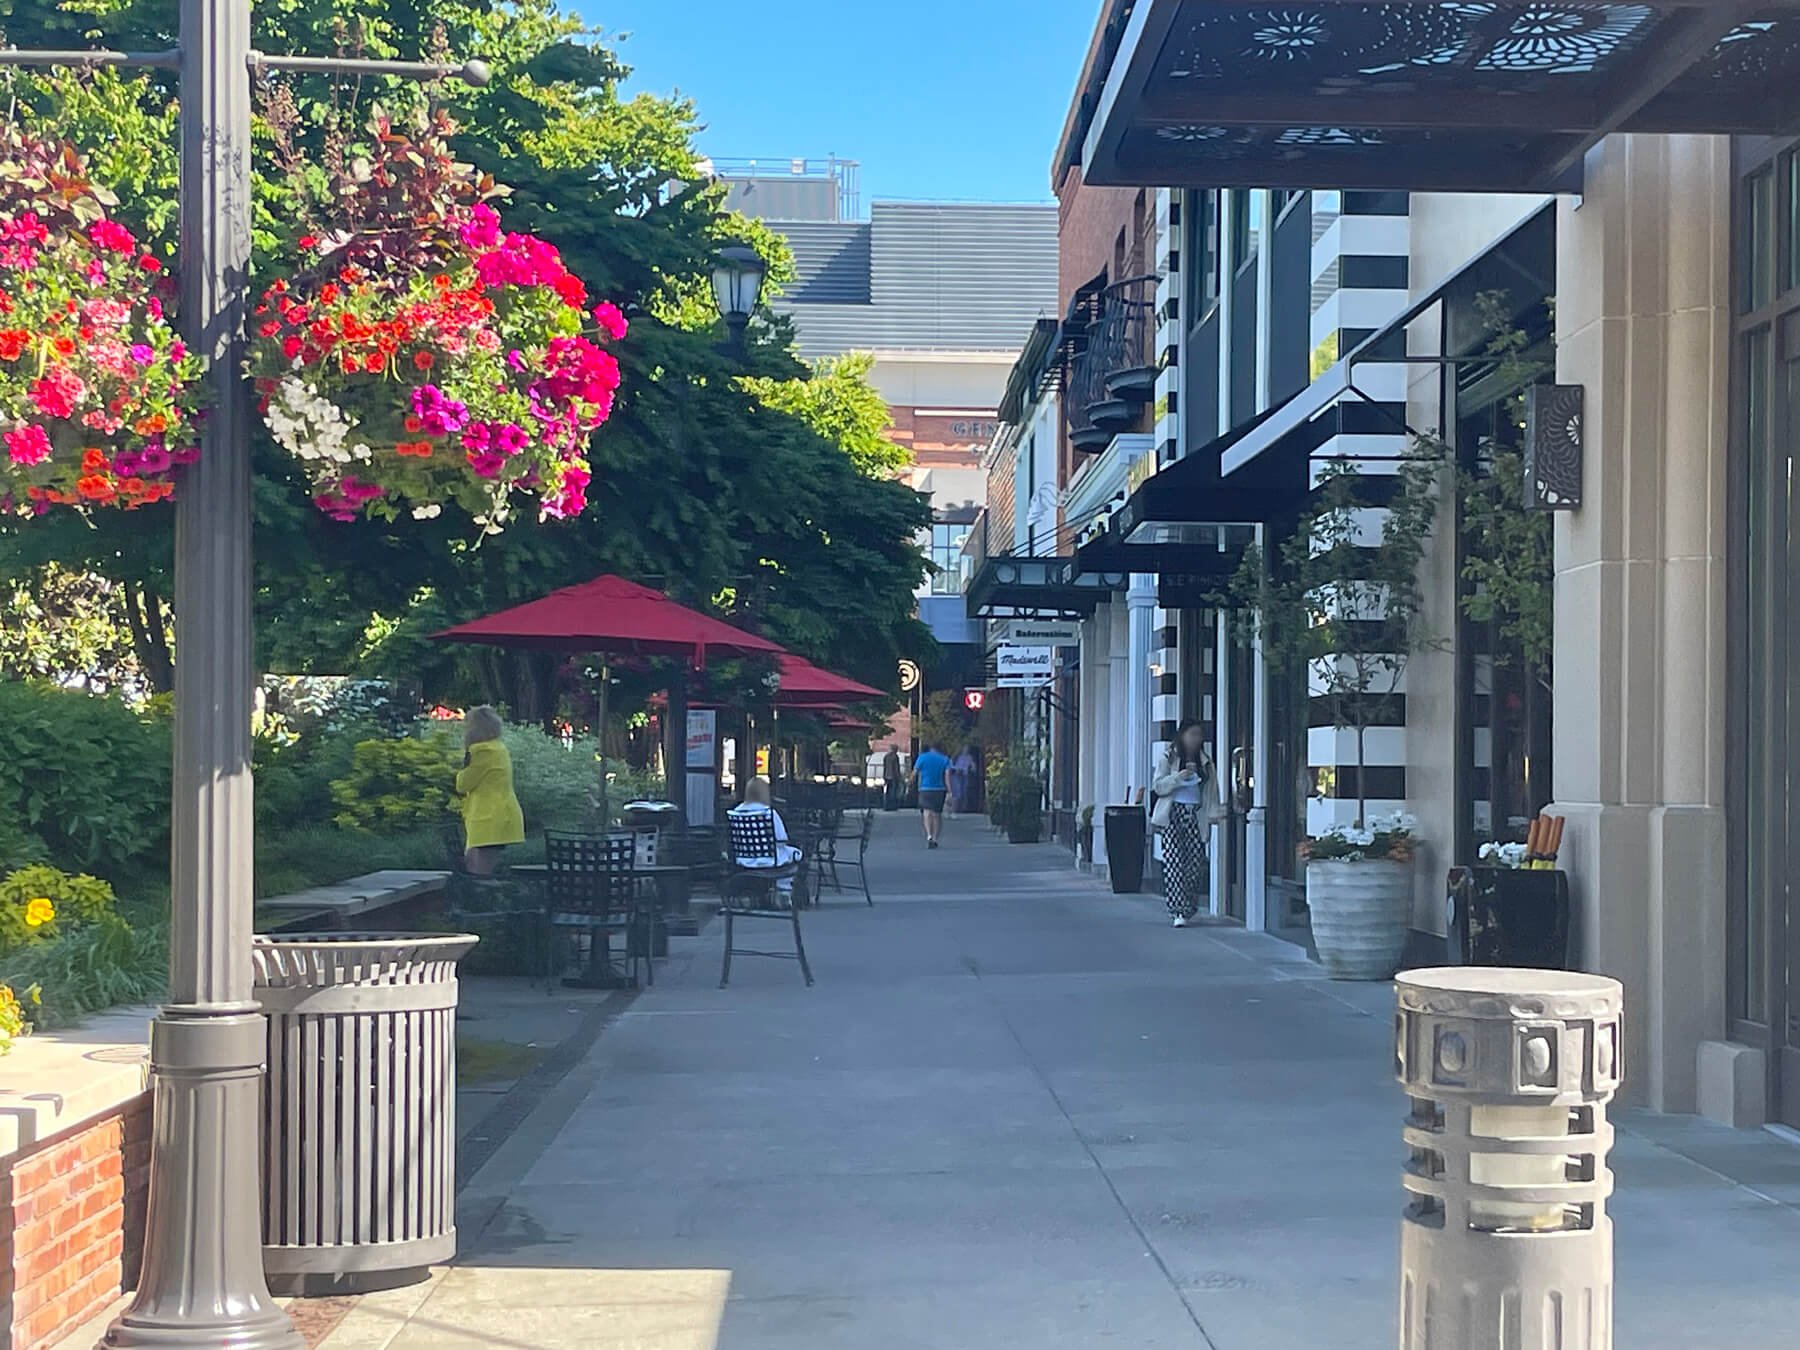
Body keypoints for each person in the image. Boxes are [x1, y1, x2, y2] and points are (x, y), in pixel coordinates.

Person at [1152, 719, 1222, 928]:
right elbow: (1158, 786)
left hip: (1195, 814)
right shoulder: (1169, 756)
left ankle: (1189, 905)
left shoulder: (1205, 761)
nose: (1195, 739)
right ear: (1182, 735)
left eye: (1199, 735)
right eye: (1192, 734)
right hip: (1173, 813)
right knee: (1173, 862)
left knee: (1194, 864)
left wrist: (1214, 813)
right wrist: (1178, 777)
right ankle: (1177, 911)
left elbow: (1211, 791)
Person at [456, 706, 525, 876]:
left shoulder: (481, 751)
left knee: (478, 872)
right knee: (477, 867)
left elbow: (463, 785)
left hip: (487, 818)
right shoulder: (498, 747)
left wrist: (463, 767)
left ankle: (480, 902)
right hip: (499, 815)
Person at [911, 741, 952, 848]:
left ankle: (929, 835)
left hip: (925, 788)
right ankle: (935, 838)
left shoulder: (922, 757)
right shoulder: (945, 759)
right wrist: (949, 791)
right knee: (937, 814)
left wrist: (910, 782)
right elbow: (947, 776)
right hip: (939, 789)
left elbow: (915, 772)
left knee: (926, 812)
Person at [948, 744, 978, 815]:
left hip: (964, 775)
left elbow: (972, 765)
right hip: (956, 775)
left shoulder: (969, 757)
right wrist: (955, 769)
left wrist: (973, 767)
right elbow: (950, 765)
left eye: (967, 748)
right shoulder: (956, 757)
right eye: (965, 748)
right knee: (957, 792)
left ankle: (960, 809)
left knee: (963, 792)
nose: (966, 750)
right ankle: (953, 809)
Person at [882, 746, 903, 811]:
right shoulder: (895, 757)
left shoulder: (886, 756)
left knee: (888, 791)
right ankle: (893, 806)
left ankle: (886, 805)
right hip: (894, 776)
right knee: (894, 791)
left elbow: (885, 767)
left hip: (887, 776)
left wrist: (884, 776)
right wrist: (899, 777)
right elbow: (896, 768)